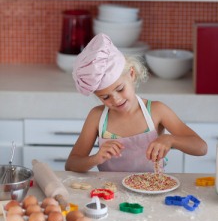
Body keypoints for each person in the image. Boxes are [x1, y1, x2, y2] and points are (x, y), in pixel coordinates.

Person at [65, 33, 207, 173]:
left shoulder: (157, 111)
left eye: (120, 89)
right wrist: (96, 158)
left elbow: (201, 147)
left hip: (152, 191)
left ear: (131, 74)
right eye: (105, 97)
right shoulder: (97, 117)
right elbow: (71, 164)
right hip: (110, 194)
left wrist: (170, 140)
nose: (116, 99)